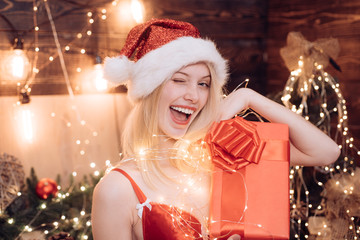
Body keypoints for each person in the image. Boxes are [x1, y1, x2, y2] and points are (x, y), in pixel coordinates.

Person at [91, 19, 340, 240]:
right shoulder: (116, 189)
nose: (193, 95)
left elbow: (325, 152)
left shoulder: (223, 150)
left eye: (204, 84)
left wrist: (250, 97)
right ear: (149, 90)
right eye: (179, 80)